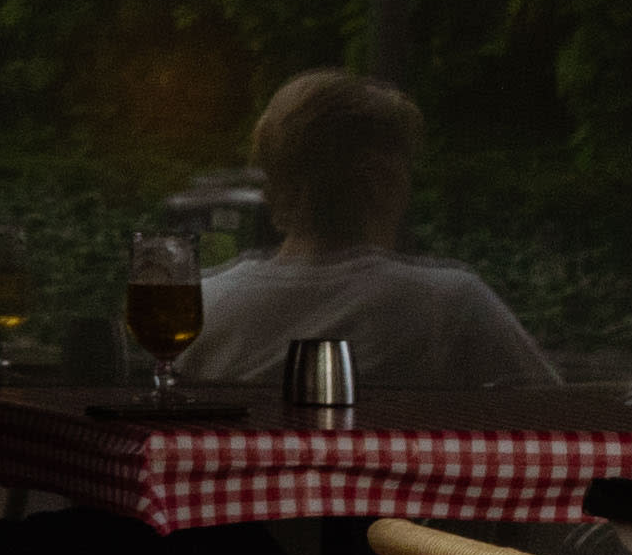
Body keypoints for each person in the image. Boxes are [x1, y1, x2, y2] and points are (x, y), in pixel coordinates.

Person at [193, 68, 565, 408]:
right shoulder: (451, 305)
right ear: (381, 179)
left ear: (274, 183)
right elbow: (558, 416)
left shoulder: (203, 308)